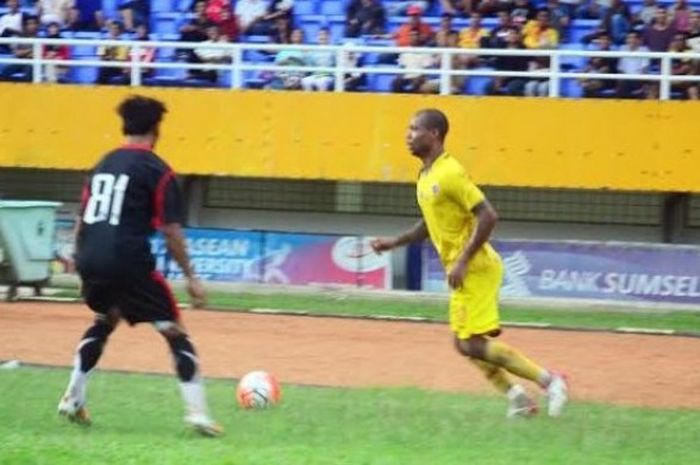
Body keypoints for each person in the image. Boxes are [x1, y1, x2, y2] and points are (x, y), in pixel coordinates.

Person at [370, 109, 569, 419]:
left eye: (414, 129)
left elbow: (488, 214)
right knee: (463, 345)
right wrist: (393, 243)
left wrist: (463, 260)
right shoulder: (425, 176)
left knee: (472, 344)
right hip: (462, 269)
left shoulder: (450, 172)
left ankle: (550, 381)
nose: (407, 135)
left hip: (476, 267)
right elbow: (430, 224)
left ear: (434, 134)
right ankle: (519, 399)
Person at [57, 95, 222, 437]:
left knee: (105, 319)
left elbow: (81, 216)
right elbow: (172, 231)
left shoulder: (103, 163)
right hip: (128, 258)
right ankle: (198, 414)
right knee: (174, 331)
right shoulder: (157, 170)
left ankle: (73, 398)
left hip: (91, 255)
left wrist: (78, 258)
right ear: (156, 130)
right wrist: (192, 277)